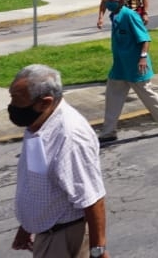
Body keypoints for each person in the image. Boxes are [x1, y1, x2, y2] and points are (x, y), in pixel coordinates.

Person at [8, 64, 109, 258]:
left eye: (17, 100)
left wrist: (98, 252)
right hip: (47, 233)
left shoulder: (69, 137)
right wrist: (28, 225)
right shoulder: (38, 124)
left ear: (45, 102)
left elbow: (92, 198)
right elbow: (38, 182)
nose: (12, 107)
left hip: (64, 237)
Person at [97, 0, 158, 143]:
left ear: (121, 1)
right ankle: (108, 132)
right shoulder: (115, 16)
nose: (108, 2)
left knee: (147, 94)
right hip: (120, 66)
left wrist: (142, 58)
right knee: (112, 97)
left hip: (136, 65)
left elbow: (145, 39)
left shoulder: (130, 16)